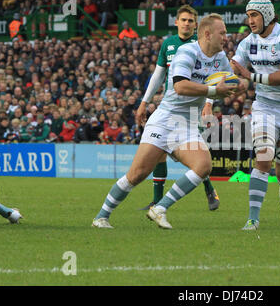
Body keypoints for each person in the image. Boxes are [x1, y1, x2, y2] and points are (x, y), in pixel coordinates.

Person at [92, 13, 247, 229]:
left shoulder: (220, 58)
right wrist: (214, 90)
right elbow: (180, 87)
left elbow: (230, 84)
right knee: (137, 175)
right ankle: (101, 216)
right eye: (222, 33)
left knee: (203, 166)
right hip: (165, 120)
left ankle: (160, 208)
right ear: (207, 34)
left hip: (188, 124)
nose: (226, 37)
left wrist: (242, 83)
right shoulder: (187, 52)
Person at [231, 0, 280, 230]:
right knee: (263, 157)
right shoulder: (248, 42)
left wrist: (249, 77)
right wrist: (221, 90)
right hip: (265, 106)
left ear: (267, 15)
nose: (250, 20)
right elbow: (234, 72)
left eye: (255, 15)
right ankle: (253, 219)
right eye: (248, 15)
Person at [137, 5, 221, 212]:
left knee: (195, 152)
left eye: (191, 21)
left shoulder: (201, 44)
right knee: (159, 151)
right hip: (170, 105)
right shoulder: (168, 44)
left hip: (193, 107)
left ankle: (209, 188)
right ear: (176, 22)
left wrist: (209, 104)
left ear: (196, 25)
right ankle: (157, 201)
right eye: (183, 20)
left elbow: (215, 77)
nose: (186, 24)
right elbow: (158, 75)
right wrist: (144, 102)